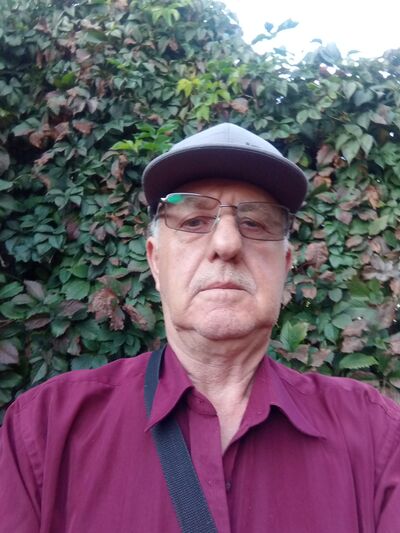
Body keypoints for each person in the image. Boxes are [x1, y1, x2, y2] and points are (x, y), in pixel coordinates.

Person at [0, 123, 399, 533]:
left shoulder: (376, 437)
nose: (227, 244)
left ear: (284, 267)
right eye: (193, 221)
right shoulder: (45, 431)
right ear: (155, 262)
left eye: (255, 223)